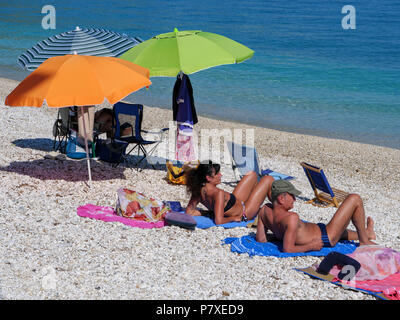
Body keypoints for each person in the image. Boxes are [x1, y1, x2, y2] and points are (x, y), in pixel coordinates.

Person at [255, 179, 377, 253]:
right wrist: (311, 246)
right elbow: (288, 249)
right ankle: (364, 241)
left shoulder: (264, 211)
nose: (295, 199)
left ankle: (367, 233)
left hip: (322, 230)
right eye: (292, 196)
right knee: (355, 198)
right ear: (281, 198)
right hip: (326, 237)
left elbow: (261, 239)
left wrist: (279, 236)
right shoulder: (291, 218)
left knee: (342, 232)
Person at [185, 160, 274, 225]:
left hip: (236, 200)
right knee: (268, 179)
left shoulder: (198, 190)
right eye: (218, 173)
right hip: (244, 212)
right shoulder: (218, 194)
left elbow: (189, 211)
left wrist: (207, 213)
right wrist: (233, 218)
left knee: (252, 174)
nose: (221, 175)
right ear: (209, 178)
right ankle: (277, 210)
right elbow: (219, 221)